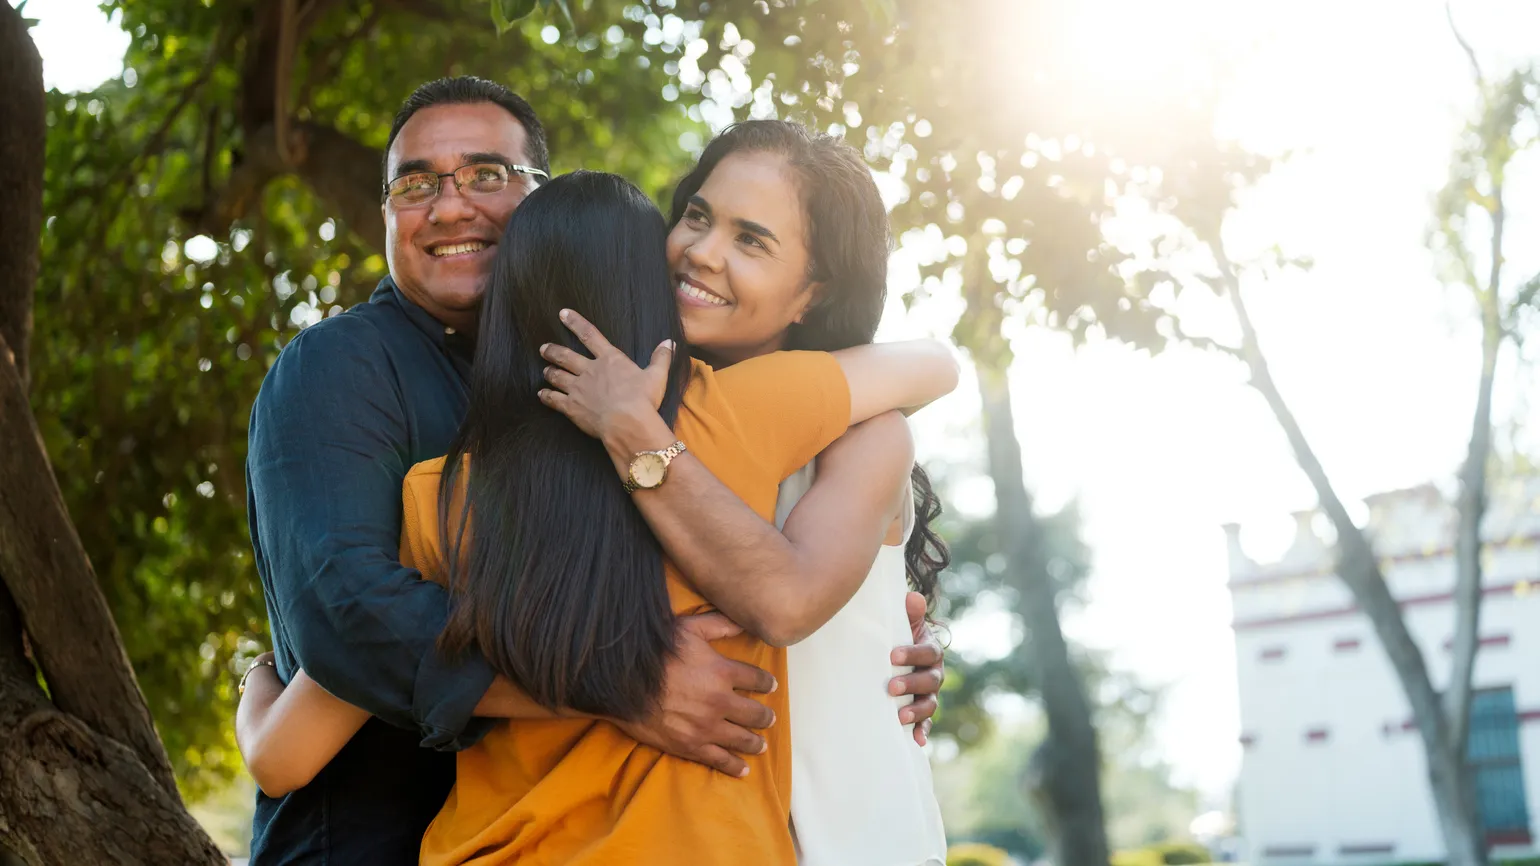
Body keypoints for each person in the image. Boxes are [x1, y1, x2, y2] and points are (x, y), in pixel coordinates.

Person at [241, 76, 944, 865]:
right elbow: (348, 618)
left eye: (485, 176)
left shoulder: (447, 492)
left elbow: (280, 751)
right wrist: (624, 679)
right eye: (699, 219)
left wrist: (885, 630)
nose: (704, 253)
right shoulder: (740, 416)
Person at [541, 120, 948, 865]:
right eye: (697, 215)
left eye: (751, 240)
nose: (701, 251)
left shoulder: (865, 433)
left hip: (844, 841)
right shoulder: (619, 400)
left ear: (811, 294)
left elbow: (787, 604)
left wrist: (637, 439)